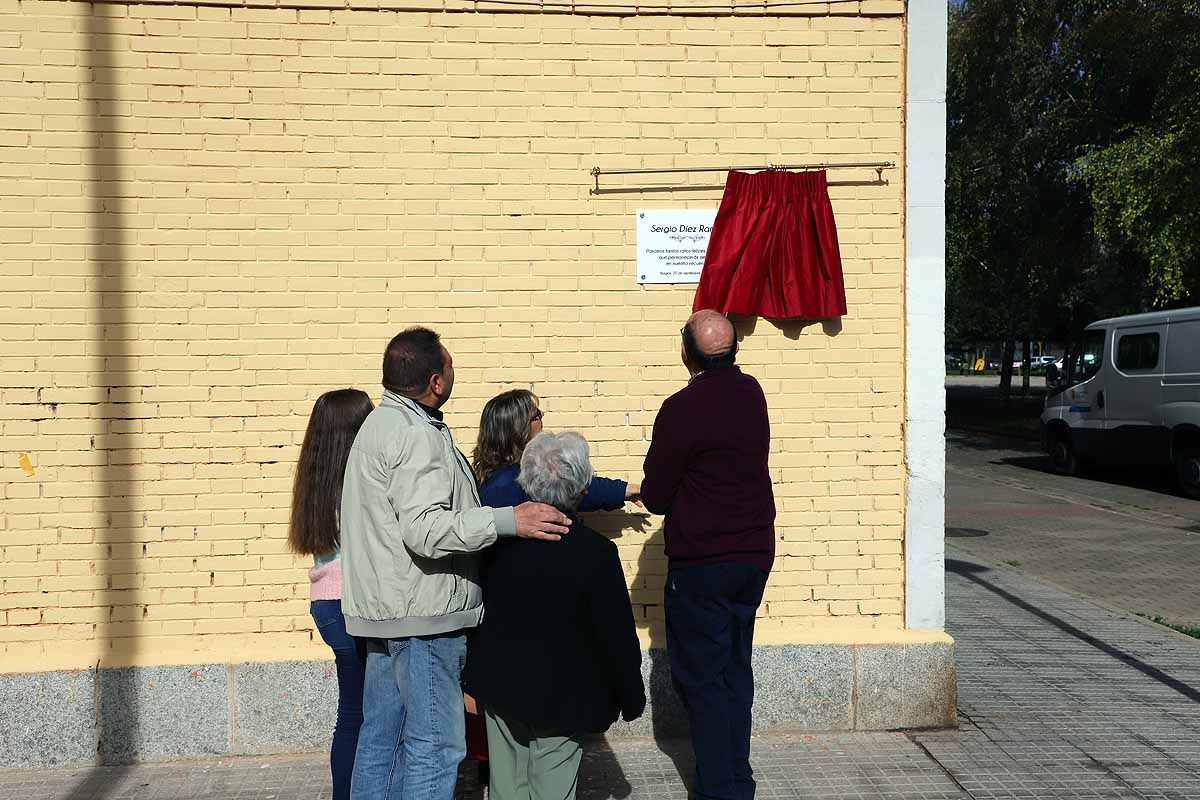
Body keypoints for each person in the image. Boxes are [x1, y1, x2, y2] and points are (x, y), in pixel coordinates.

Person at [340, 327, 573, 800]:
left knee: (381, 743)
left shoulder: (378, 426)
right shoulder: (415, 436)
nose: (453, 370)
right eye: (449, 364)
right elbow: (425, 530)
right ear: (435, 381)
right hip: (423, 618)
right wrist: (510, 520)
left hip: (385, 615)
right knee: (436, 746)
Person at [463, 432, 646, 800]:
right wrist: (631, 697)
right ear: (580, 489)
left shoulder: (498, 546)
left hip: (502, 690)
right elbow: (616, 636)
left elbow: (480, 614)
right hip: (563, 700)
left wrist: (471, 679)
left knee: (506, 789)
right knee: (551, 790)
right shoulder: (596, 555)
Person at [640, 310, 776, 800]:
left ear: (685, 353)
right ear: (734, 351)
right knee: (736, 670)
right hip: (754, 553)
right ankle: (739, 778)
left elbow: (656, 494)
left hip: (704, 562)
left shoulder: (681, 407)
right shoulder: (752, 393)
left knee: (703, 679)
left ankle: (720, 789)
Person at [287, 388, 375, 800]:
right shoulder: (356, 484)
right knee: (370, 717)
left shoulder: (316, 481)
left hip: (327, 603)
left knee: (352, 715)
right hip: (355, 604)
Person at [472, 388, 640, 510]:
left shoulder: (518, 474)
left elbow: (571, 483)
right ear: (519, 431)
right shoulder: (503, 489)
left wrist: (623, 489)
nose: (543, 414)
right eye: (536, 415)